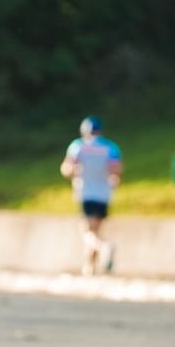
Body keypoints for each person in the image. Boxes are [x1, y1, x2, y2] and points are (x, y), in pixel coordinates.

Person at [60, 116, 122, 276]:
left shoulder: (78, 146)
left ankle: (104, 248)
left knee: (87, 232)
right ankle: (89, 268)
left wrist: (73, 173)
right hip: (104, 193)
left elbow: (67, 168)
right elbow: (116, 171)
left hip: (86, 192)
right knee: (95, 229)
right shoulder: (110, 147)